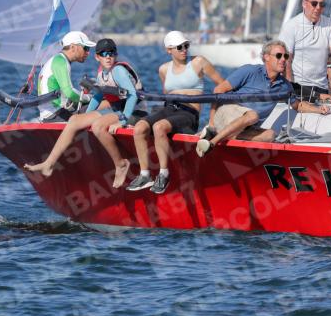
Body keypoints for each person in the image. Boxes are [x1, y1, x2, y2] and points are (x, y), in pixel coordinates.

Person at [25, 37, 145, 188]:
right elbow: (98, 96)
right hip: (117, 109)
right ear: (97, 57)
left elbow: (132, 95)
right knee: (75, 120)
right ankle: (49, 164)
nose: (108, 57)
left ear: (116, 54)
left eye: (112, 53)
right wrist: (85, 115)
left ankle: (120, 164)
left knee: (98, 126)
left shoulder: (118, 71)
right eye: (104, 54)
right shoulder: (102, 72)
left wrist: (123, 120)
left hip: (133, 112)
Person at [126, 31, 224, 194]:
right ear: (169, 50)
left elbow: (222, 85)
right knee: (139, 127)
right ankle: (144, 175)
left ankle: (163, 174)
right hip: (170, 109)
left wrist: (213, 118)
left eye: (186, 45)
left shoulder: (199, 62)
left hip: (189, 112)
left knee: (159, 127)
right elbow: (167, 94)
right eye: (179, 47)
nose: (184, 49)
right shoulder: (163, 69)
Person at [196, 40, 330, 155]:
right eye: (279, 55)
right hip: (226, 115)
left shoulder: (285, 86)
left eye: (286, 56)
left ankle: (225, 136)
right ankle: (212, 142)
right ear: (266, 57)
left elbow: (298, 105)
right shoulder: (249, 71)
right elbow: (218, 90)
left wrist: (319, 109)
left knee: (270, 135)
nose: (283, 59)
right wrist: (211, 124)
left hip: (245, 127)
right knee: (253, 115)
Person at [279, 0, 331, 101]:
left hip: (322, 86)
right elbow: (286, 59)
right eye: (314, 3)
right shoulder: (292, 26)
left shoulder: (329, 24)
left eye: (322, 4)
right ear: (304, 4)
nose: (318, 8)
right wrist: (289, 87)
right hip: (299, 87)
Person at [37, 30, 95, 121]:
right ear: (73, 47)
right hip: (54, 114)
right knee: (99, 105)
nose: (88, 53)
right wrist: (89, 98)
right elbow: (69, 92)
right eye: (86, 48)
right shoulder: (61, 62)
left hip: (49, 113)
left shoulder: (58, 59)